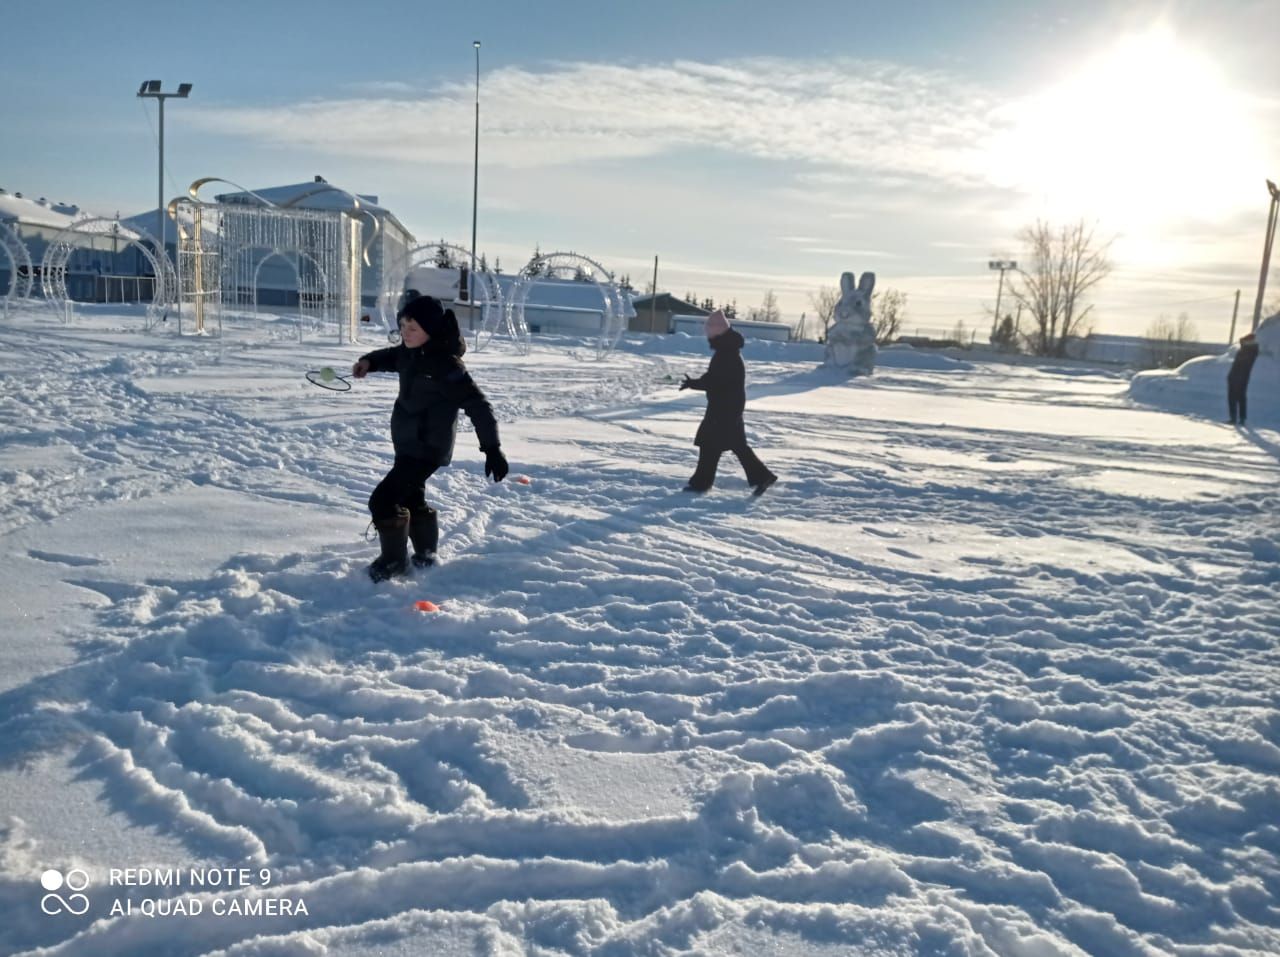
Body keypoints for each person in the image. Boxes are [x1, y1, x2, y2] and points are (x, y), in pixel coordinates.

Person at [352, 295, 508, 581]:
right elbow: (390, 356)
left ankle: (394, 563)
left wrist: (492, 448)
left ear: (431, 330)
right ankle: (425, 554)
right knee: (412, 498)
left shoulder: (447, 366)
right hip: (407, 443)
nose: (405, 333)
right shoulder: (409, 351)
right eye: (402, 326)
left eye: (413, 328)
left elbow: (478, 405)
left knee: (383, 501)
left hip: (427, 448)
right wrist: (369, 362)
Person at [680, 309, 778, 495]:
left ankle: (702, 483)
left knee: (710, 444)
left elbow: (714, 381)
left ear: (716, 332)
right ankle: (761, 476)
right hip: (728, 407)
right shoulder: (727, 350)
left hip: (724, 409)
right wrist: (694, 383)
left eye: (709, 332)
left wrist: (694, 384)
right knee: (730, 446)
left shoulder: (726, 353)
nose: (707, 336)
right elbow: (714, 379)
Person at [1227, 332, 1259, 425]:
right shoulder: (1246, 350)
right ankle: (1236, 418)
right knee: (1235, 397)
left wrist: (1243, 344)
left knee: (1238, 397)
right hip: (1236, 376)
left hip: (1241, 377)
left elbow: (1243, 363)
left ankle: (1239, 418)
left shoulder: (1250, 351)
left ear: (1250, 341)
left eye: (1246, 341)